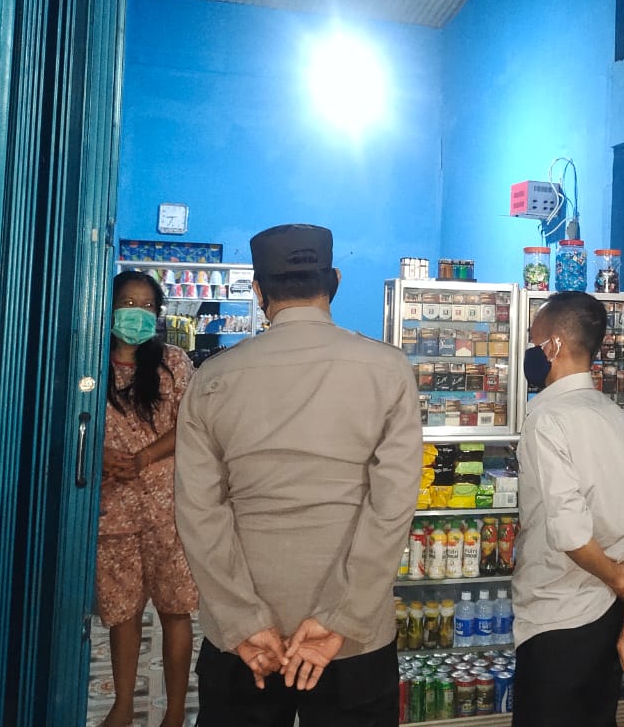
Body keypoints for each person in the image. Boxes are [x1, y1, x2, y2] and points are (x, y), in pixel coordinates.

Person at [174, 223, 422, 727]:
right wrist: (341, 618)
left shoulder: (212, 378)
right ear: (334, 281)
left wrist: (243, 620)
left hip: (247, 641)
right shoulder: (388, 369)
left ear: (258, 290)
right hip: (351, 637)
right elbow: (391, 506)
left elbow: (198, 513)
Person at [512, 290, 624, 727]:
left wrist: (616, 577)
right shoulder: (618, 418)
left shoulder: (546, 419)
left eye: (533, 340)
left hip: (555, 618)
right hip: (606, 616)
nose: (530, 351)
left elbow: (570, 533)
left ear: (553, 345)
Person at [96, 270, 199, 727]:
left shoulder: (172, 363)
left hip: (168, 510)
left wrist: (143, 458)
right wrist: (100, 456)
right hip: (112, 511)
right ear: (108, 306)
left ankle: (174, 712)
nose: (136, 313)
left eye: (146, 306)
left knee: (176, 612)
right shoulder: (90, 362)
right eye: (127, 303)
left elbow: (190, 423)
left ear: (158, 315)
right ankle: (122, 705)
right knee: (123, 613)